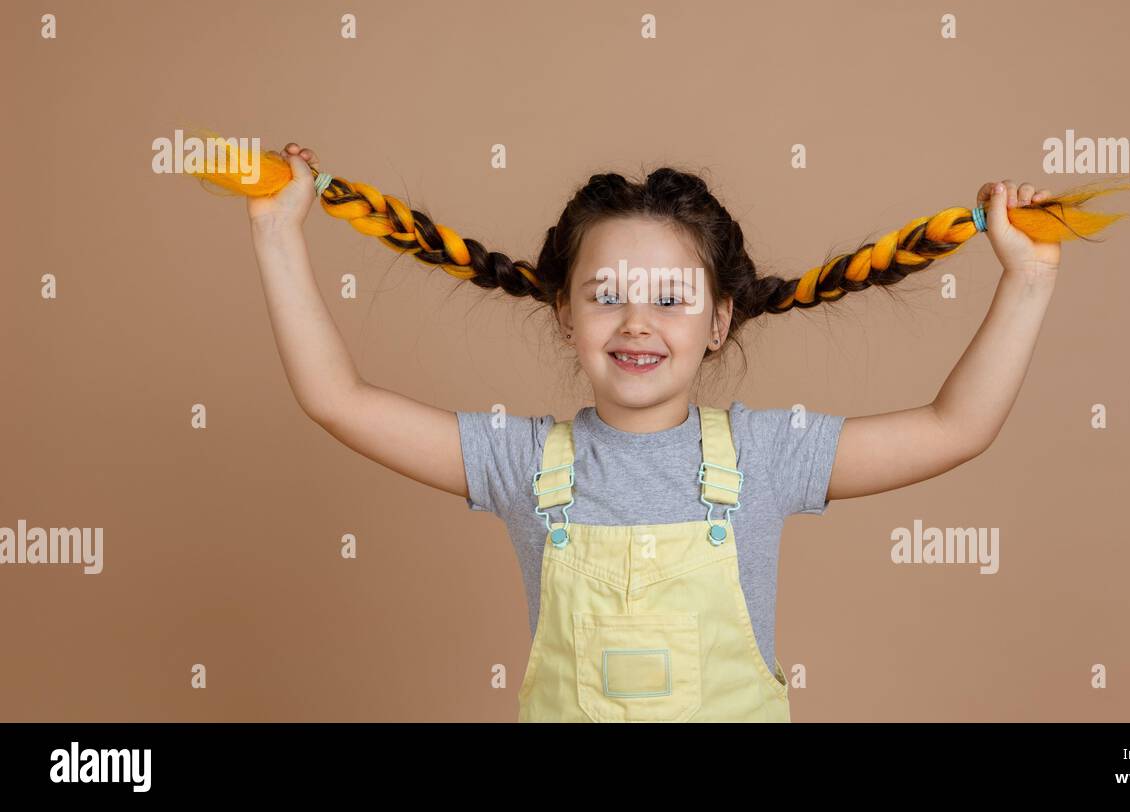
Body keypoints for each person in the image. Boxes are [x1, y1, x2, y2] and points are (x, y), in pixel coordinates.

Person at [248, 142, 1060, 721]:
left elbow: (958, 427)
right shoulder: (519, 461)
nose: (638, 321)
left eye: (671, 296)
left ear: (719, 319)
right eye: (607, 294)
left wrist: (1028, 280)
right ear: (564, 314)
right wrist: (277, 232)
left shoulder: (768, 456)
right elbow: (336, 398)